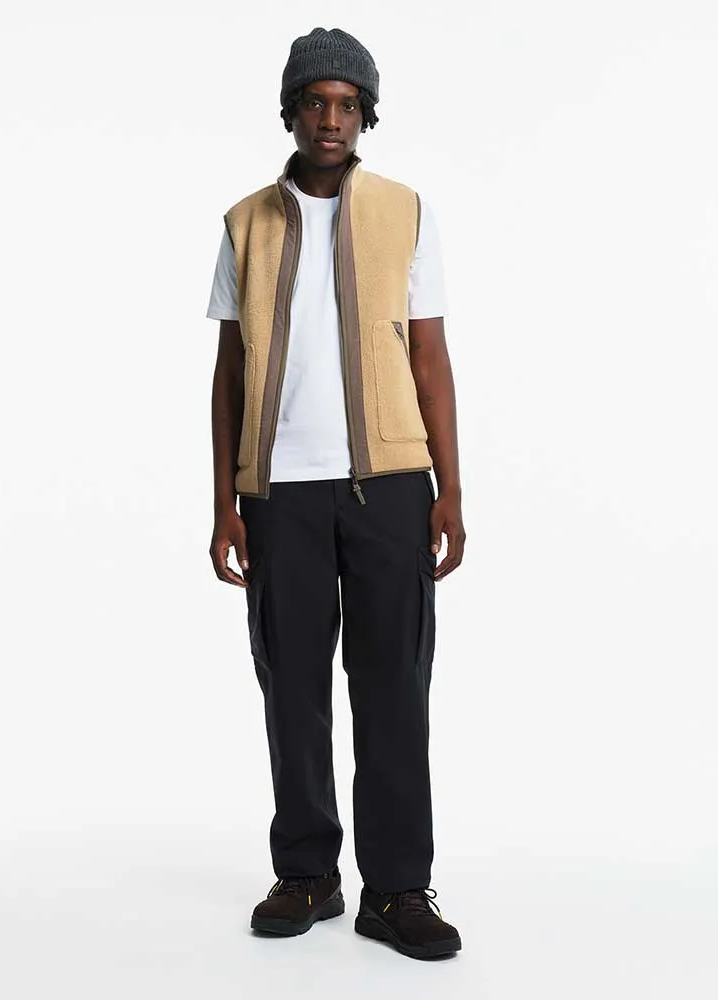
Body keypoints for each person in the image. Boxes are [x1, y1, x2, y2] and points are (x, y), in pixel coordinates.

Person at [206, 26, 466, 961]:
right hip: (278, 491)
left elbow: (429, 356)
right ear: (291, 112)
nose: (330, 118)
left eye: (347, 104)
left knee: (394, 685)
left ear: (366, 116)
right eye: (315, 102)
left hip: (390, 486)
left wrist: (450, 488)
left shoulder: (405, 212)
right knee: (292, 686)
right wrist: (226, 500)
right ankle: (308, 873)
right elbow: (229, 372)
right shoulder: (246, 222)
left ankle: (397, 889)